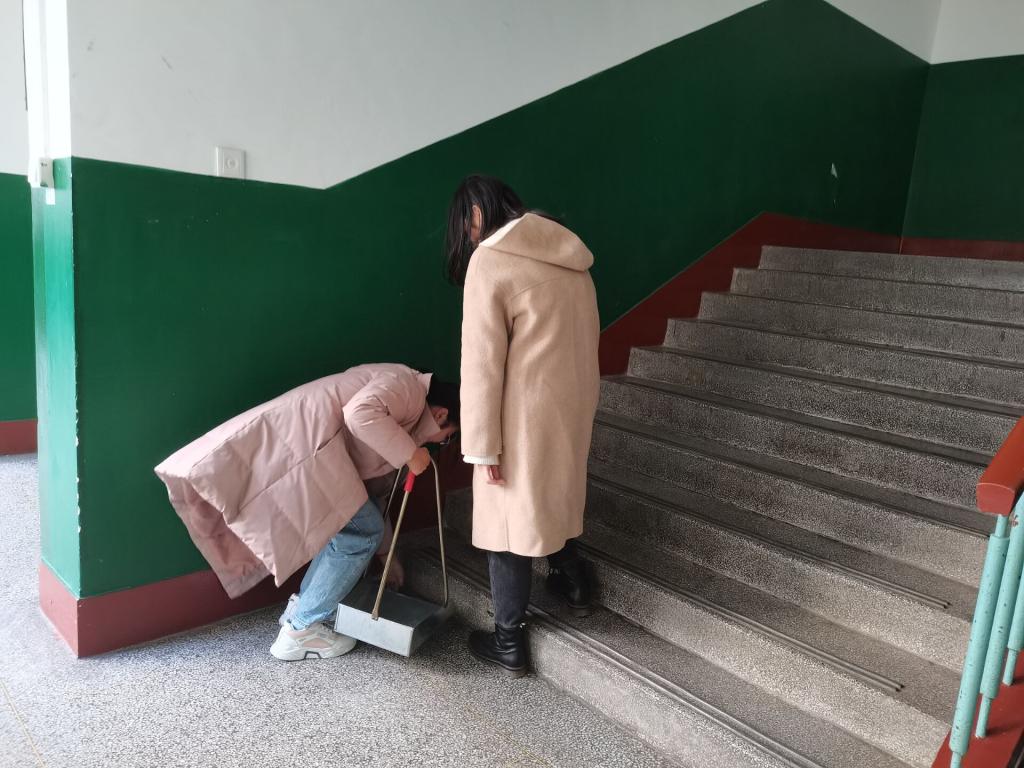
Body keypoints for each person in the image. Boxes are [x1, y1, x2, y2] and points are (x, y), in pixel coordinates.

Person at [154, 364, 459, 661]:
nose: (439, 444)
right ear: (441, 415)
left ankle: (300, 612)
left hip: (311, 449)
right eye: (447, 437)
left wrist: (386, 557)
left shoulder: (403, 409)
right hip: (306, 446)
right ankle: (301, 628)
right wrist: (410, 454)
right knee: (361, 531)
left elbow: (374, 495)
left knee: (351, 526)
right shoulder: (409, 388)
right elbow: (359, 414)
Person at [446, 175, 601, 677]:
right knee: (554, 493)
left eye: (464, 224)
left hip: (520, 416)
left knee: (507, 523)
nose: (466, 235)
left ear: (475, 213)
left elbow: (482, 364)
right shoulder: (571, 256)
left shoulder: (490, 260)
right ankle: (574, 582)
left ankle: (509, 640)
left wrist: (481, 446)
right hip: (570, 403)